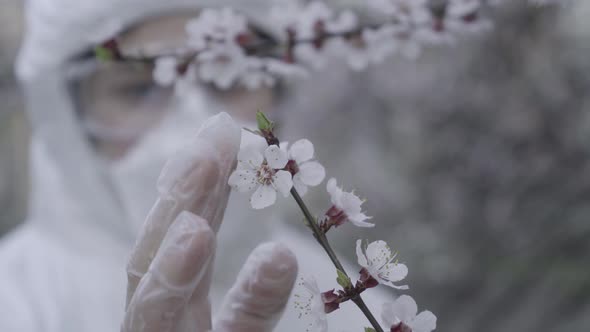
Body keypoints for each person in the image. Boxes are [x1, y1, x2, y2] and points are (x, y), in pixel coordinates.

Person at [1, 0, 390, 331]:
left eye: (230, 77)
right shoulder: (16, 302)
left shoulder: (353, 310)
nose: (197, 129)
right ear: (70, 122)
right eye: (137, 89)